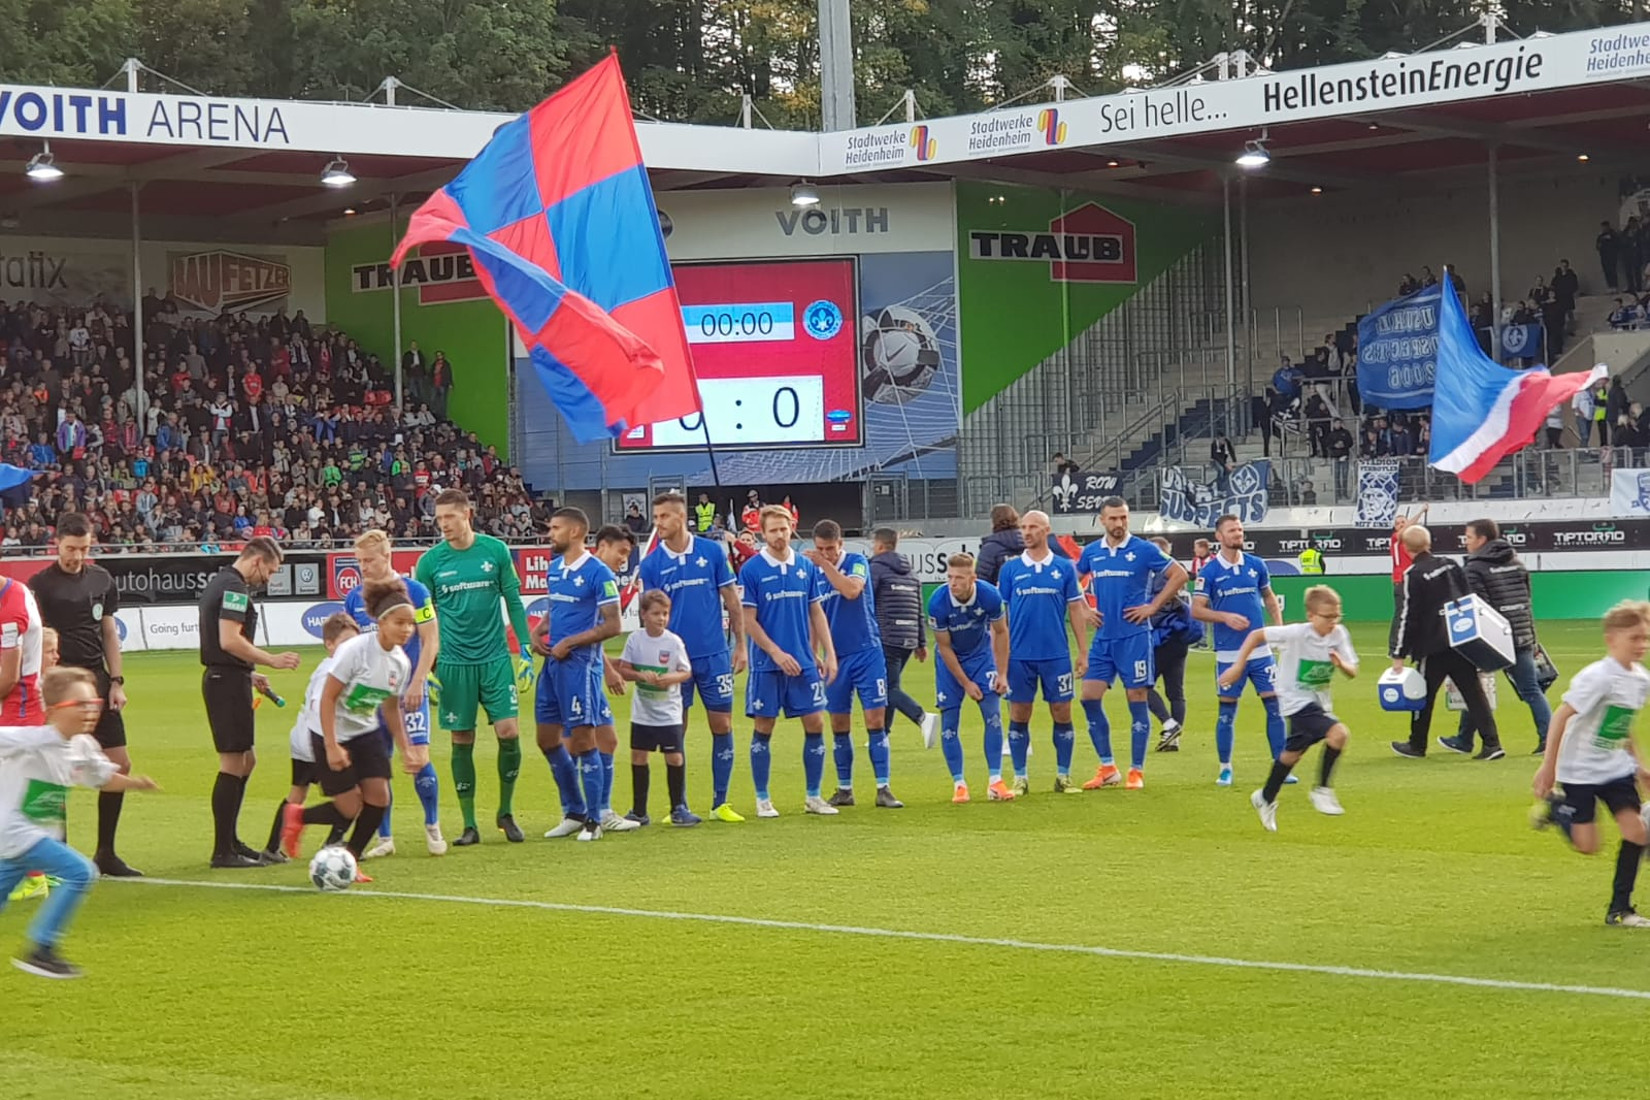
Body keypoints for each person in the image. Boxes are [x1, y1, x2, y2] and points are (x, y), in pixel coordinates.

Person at [0, 666, 159, 978]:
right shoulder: (30, 740)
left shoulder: (83, 745)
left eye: (94, 705)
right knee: (81, 872)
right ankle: (41, 950)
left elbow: (101, 779)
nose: (90, 712)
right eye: (81, 705)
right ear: (55, 708)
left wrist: (134, 783)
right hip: (16, 833)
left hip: (30, 839)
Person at [414, 488, 534, 847]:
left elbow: (512, 600)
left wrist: (525, 649)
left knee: (509, 732)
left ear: (468, 513)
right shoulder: (430, 562)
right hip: (453, 662)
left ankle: (506, 812)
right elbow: (423, 618)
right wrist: (427, 666)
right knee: (461, 737)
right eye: (439, 520)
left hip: (495, 658)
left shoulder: (495, 551)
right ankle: (469, 823)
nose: (444, 526)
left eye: (449, 517)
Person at [280, 579, 420, 880]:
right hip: (327, 730)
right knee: (349, 806)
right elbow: (328, 698)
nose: (407, 629)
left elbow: (391, 707)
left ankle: (350, 860)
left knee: (379, 798)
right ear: (381, 622)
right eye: (400, 622)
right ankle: (297, 816)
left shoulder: (401, 662)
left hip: (364, 731)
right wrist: (331, 745)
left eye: (411, 624)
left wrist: (407, 748)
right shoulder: (355, 651)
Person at [27, 512, 138, 877]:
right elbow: (38, 640)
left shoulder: (102, 579)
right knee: (52, 771)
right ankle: (54, 855)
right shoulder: (40, 585)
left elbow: (109, 632)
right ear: (56, 542)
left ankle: (106, 852)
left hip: (99, 685)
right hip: (61, 687)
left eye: (84, 548)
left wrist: (117, 680)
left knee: (120, 764)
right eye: (71, 548)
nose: (77, 555)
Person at [1531, 600, 1650, 927]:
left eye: (1645, 638)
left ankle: (1620, 910)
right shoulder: (1597, 677)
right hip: (1580, 770)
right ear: (1612, 639)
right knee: (1588, 846)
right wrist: (1549, 768)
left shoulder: (1641, 679)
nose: (1641, 645)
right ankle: (1558, 809)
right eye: (1634, 638)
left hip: (1615, 768)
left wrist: (1640, 766)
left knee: (1637, 832)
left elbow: (1622, 723)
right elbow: (1560, 717)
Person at [637, 492, 747, 823]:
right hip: (672, 660)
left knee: (722, 724)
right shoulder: (652, 564)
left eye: (663, 517)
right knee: (675, 730)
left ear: (681, 518)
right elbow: (649, 617)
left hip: (714, 654)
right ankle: (678, 805)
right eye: (655, 518)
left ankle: (720, 803)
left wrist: (740, 645)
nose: (658, 523)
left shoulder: (712, 552)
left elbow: (732, 599)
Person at [1221, 586, 1358, 832]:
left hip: (1319, 703)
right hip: (1295, 701)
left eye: (1337, 615)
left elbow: (1353, 672)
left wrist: (1341, 664)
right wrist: (1238, 666)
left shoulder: (1339, 634)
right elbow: (1256, 635)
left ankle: (1265, 797)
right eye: (1327, 616)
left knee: (1291, 755)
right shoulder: (1295, 633)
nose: (1333, 621)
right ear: (1311, 615)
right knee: (1339, 734)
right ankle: (1322, 790)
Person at [199, 536, 301, 869]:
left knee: (247, 760)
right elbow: (229, 640)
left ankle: (230, 839)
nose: (268, 580)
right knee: (232, 763)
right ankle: (222, 850)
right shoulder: (234, 589)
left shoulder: (223, 581)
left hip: (231, 677)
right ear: (256, 561)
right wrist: (270, 661)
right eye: (269, 571)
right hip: (224, 681)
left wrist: (250, 672)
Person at [345, 530, 446, 858]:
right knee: (375, 765)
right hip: (370, 695)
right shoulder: (354, 598)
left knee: (418, 759)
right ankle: (384, 838)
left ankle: (433, 826)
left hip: (407, 692)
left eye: (369, 560)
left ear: (386, 557)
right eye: (359, 561)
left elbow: (431, 640)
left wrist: (419, 681)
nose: (363, 567)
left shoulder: (415, 591)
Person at [1075, 498, 1186, 791]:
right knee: (1088, 697)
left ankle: (1136, 770)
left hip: (1134, 637)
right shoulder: (1092, 553)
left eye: (1123, 518)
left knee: (1136, 697)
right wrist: (1085, 608)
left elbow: (1180, 575)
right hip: (1104, 639)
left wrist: (1152, 606)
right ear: (1102, 521)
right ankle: (1108, 767)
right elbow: (1072, 582)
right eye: (1113, 518)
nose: (1119, 524)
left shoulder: (1144, 549)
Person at [738, 505, 838, 817]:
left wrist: (827, 653)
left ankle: (813, 796)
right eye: (773, 530)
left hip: (804, 662)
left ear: (791, 526)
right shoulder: (752, 570)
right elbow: (748, 619)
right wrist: (775, 653)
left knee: (816, 723)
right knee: (764, 726)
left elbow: (816, 612)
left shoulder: (806, 568)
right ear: (762, 533)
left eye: (784, 528)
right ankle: (762, 798)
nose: (780, 535)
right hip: (767, 664)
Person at [531, 508, 622, 841]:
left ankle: (595, 821)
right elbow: (555, 609)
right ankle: (573, 811)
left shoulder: (599, 573)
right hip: (553, 664)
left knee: (584, 741)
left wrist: (570, 641)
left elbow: (613, 624)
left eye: (555, 528)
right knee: (546, 739)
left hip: (581, 665)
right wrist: (538, 631)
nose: (549, 533)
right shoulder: (555, 569)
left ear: (575, 532)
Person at [806, 519, 902, 809]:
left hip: (867, 653)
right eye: (821, 549)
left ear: (841, 545)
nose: (827, 553)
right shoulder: (815, 573)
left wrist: (826, 565)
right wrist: (815, 653)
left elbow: (851, 591)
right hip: (837, 658)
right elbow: (814, 615)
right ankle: (845, 789)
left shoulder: (857, 562)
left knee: (875, 720)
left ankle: (883, 787)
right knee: (838, 724)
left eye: (831, 549)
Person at [1389, 524, 1503, 760]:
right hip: (1461, 639)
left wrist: (1398, 652)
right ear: (1429, 543)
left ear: (1406, 549)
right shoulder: (1450, 564)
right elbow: (1468, 596)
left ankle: (1417, 744)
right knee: (1473, 692)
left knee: (1422, 696)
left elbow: (1407, 614)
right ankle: (1492, 743)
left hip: (1432, 646)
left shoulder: (1413, 574)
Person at [1440, 519, 1551, 757]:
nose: (1465, 542)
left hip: (1495, 637)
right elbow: (1527, 603)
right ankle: (1548, 739)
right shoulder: (1517, 563)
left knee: (1475, 688)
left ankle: (1465, 738)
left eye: (1468, 537)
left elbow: (1481, 608)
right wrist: (1532, 637)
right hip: (1521, 634)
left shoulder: (1474, 568)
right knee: (1531, 690)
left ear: (1482, 539)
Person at [997, 509, 1089, 796]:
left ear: (1046, 530)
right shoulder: (1010, 570)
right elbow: (1000, 621)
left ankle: (1063, 776)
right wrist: (1000, 661)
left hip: (1056, 655)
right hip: (1019, 657)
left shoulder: (1063, 568)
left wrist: (1083, 651)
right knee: (1019, 713)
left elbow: (1075, 609)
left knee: (1062, 711)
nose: (1026, 532)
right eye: (1023, 527)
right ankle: (1020, 777)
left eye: (1033, 527)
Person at [1193, 515, 1285, 786]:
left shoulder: (1256, 565)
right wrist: (1225, 618)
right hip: (1229, 654)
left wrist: (1278, 629)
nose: (1238, 534)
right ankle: (1225, 767)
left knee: (1275, 707)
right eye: (1232, 530)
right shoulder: (1208, 572)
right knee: (1226, 712)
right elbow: (1196, 609)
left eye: (1240, 529)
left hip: (1261, 652)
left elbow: (1268, 596)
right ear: (1219, 536)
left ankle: (1280, 766)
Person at [263, 612, 357, 860]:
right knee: (356, 794)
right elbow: (319, 704)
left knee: (297, 792)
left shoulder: (329, 666)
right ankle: (333, 843)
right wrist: (332, 743)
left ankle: (272, 849)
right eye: (345, 643)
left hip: (302, 737)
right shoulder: (333, 671)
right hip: (319, 740)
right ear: (329, 644)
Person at [928, 553, 1011, 801]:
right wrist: (965, 683)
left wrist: (1003, 673)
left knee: (993, 715)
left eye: (960, 578)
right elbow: (943, 646)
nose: (953, 583)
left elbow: (1001, 631)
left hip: (980, 656)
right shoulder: (937, 602)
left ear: (973, 578)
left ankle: (995, 781)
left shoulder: (989, 596)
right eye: (950, 577)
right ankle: (959, 784)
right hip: (950, 662)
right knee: (950, 723)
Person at [618, 590, 698, 826]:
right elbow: (623, 668)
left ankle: (678, 808)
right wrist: (640, 675)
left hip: (669, 712)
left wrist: (670, 679)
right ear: (643, 614)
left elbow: (686, 671)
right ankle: (639, 811)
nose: (661, 618)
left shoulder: (673, 642)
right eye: (656, 614)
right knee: (639, 756)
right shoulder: (635, 639)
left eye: (665, 614)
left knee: (674, 757)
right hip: (643, 712)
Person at [868, 528, 940, 747]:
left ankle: (921, 717)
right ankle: (883, 735)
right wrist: (920, 642)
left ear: (879, 545)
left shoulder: (875, 568)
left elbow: (867, 600)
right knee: (891, 685)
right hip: (907, 637)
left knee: (887, 688)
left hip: (886, 635)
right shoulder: (911, 572)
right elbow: (919, 608)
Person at [1143, 536, 1202, 753]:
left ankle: (1170, 724)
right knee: (1176, 691)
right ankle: (1174, 737)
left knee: (1142, 686)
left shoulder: (1156, 576)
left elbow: (1154, 608)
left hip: (1161, 639)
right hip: (1180, 639)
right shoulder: (1178, 573)